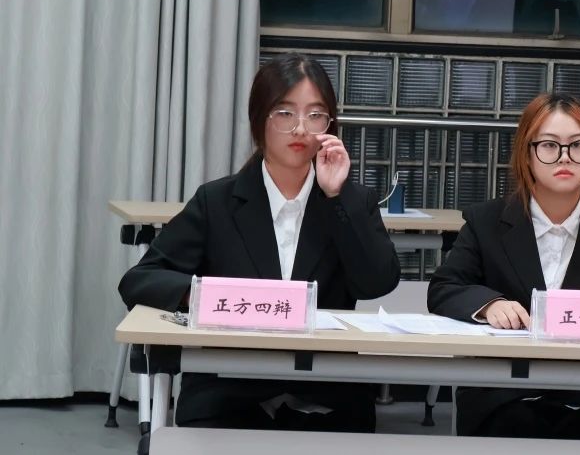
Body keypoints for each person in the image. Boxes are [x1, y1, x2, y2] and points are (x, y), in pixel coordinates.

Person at [118, 54, 400, 431]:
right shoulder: (217, 201)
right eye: (285, 113)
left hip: (327, 392)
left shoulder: (352, 201)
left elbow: (377, 282)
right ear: (258, 121)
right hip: (228, 390)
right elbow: (139, 279)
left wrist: (337, 197)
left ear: (330, 125)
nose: (300, 128)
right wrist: (204, 295)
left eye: (316, 115)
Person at [428, 93, 580, 440]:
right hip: (505, 392)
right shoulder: (487, 220)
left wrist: (577, 311)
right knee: (517, 427)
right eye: (550, 145)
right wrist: (489, 305)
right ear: (527, 153)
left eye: (577, 145)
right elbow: (444, 287)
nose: (565, 157)